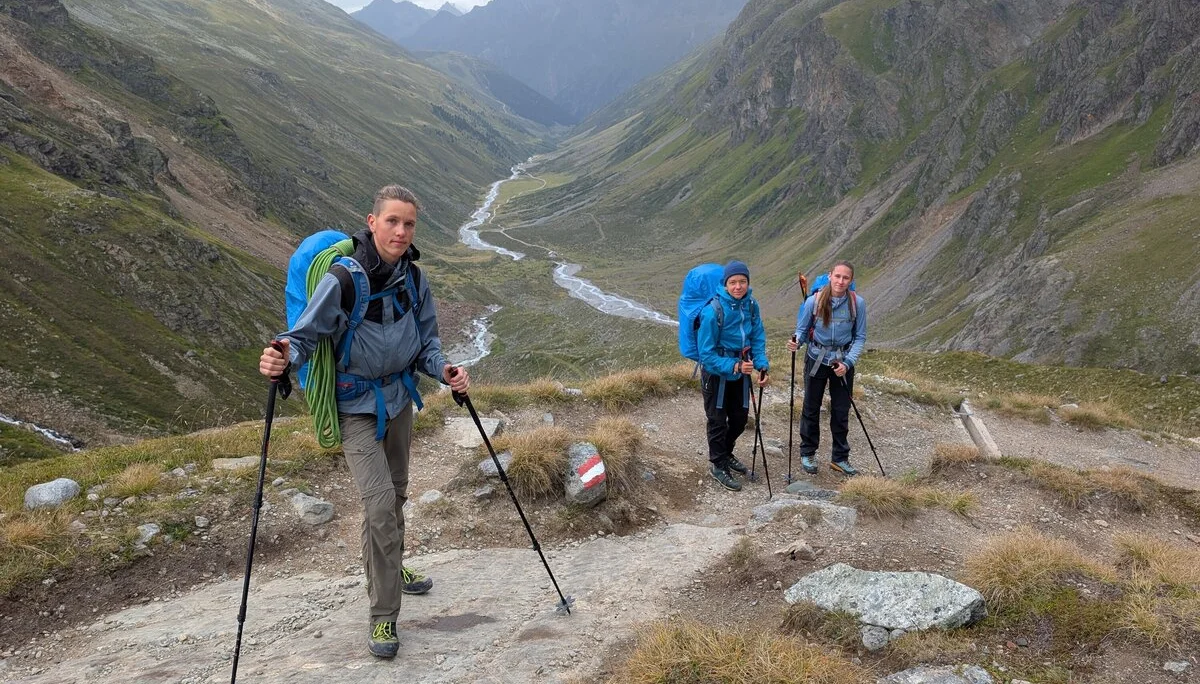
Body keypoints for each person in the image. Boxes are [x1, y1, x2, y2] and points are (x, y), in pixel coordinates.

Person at [258, 185, 470, 659]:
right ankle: (383, 617)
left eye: (409, 223)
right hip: (354, 408)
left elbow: (426, 344)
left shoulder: (414, 280)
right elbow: (304, 335)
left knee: (394, 497)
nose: (400, 231)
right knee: (378, 505)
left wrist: (446, 371)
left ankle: (389, 567)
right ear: (371, 222)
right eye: (392, 221)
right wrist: (283, 357)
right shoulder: (344, 279)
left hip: (398, 401)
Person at [787, 261, 867, 476]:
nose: (841, 281)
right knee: (811, 408)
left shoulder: (857, 303)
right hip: (815, 359)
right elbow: (802, 331)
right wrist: (796, 342)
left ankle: (839, 458)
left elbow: (860, 337)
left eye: (846, 278)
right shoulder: (813, 301)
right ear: (830, 276)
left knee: (841, 411)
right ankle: (808, 452)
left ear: (851, 280)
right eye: (837, 276)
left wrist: (847, 363)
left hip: (842, 362)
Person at [697, 260, 770, 492]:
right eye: (733, 282)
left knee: (739, 419)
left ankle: (726, 453)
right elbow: (706, 355)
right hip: (717, 375)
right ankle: (718, 464)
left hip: (741, 372)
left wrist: (762, 364)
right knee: (717, 421)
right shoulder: (712, 312)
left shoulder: (750, 305)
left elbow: (757, 335)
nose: (738, 286)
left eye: (742, 281)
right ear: (725, 284)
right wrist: (736, 366)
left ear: (748, 283)